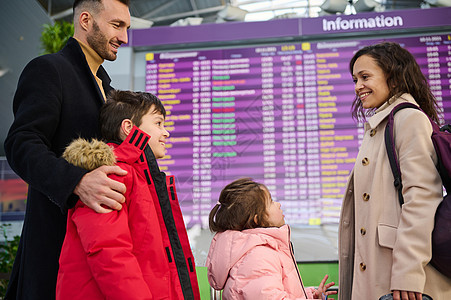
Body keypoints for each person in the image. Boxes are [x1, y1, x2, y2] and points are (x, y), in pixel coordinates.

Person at [4, 0, 131, 298]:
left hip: (102, 255)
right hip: (57, 253)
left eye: (126, 27)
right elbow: (21, 142)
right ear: (86, 20)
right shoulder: (49, 70)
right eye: (117, 25)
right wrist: (76, 181)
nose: (124, 37)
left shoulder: (110, 93)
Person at [56, 90, 201, 299]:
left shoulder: (141, 177)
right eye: (159, 123)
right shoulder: (112, 175)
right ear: (128, 128)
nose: (166, 133)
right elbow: (110, 253)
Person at [338, 42, 451, 300]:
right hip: (383, 271)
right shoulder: (382, 124)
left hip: (400, 280)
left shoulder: (408, 119)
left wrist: (408, 271)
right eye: (355, 79)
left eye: (365, 77)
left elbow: (421, 198)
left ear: (393, 76)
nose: (358, 87)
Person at [206, 178, 337, 299]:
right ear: (257, 218)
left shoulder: (257, 251)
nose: (278, 204)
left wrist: (310, 296)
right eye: (271, 201)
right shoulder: (258, 256)